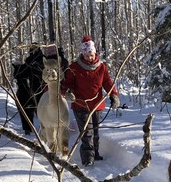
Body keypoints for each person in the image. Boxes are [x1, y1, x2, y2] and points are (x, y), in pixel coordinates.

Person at [61, 36, 120, 166]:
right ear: (83, 54)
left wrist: (113, 95)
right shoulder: (74, 67)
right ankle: (88, 158)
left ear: (95, 53)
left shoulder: (101, 67)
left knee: (95, 132)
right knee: (87, 133)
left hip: (97, 105)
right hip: (80, 104)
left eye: (91, 54)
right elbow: (67, 83)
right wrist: (68, 92)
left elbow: (107, 82)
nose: (90, 57)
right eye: (87, 55)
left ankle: (96, 153)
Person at [13, 44, 69, 135]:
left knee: (42, 110)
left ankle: (37, 130)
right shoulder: (45, 61)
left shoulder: (40, 61)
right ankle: (46, 130)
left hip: (41, 91)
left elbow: (21, 74)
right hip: (44, 91)